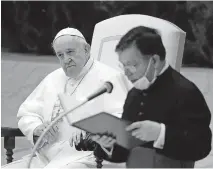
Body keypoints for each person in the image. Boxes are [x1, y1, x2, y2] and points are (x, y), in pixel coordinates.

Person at [2, 27, 128, 168]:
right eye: (60, 55)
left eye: (70, 52)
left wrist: (91, 131)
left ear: (86, 49)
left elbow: (122, 120)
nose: (66, 59)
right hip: (44, 159)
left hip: (87, 158)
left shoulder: (110, 79)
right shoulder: (53, 79)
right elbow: (27, 113)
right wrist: (36, 129)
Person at [91, 26, 212, 168]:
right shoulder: (134, 94)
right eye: (123, 66)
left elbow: (201, 146)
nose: (127, 73)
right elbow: (123, 153)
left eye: (132, 65)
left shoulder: (185, 91)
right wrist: (108, 145)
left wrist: (160, 134)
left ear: (154, 60)